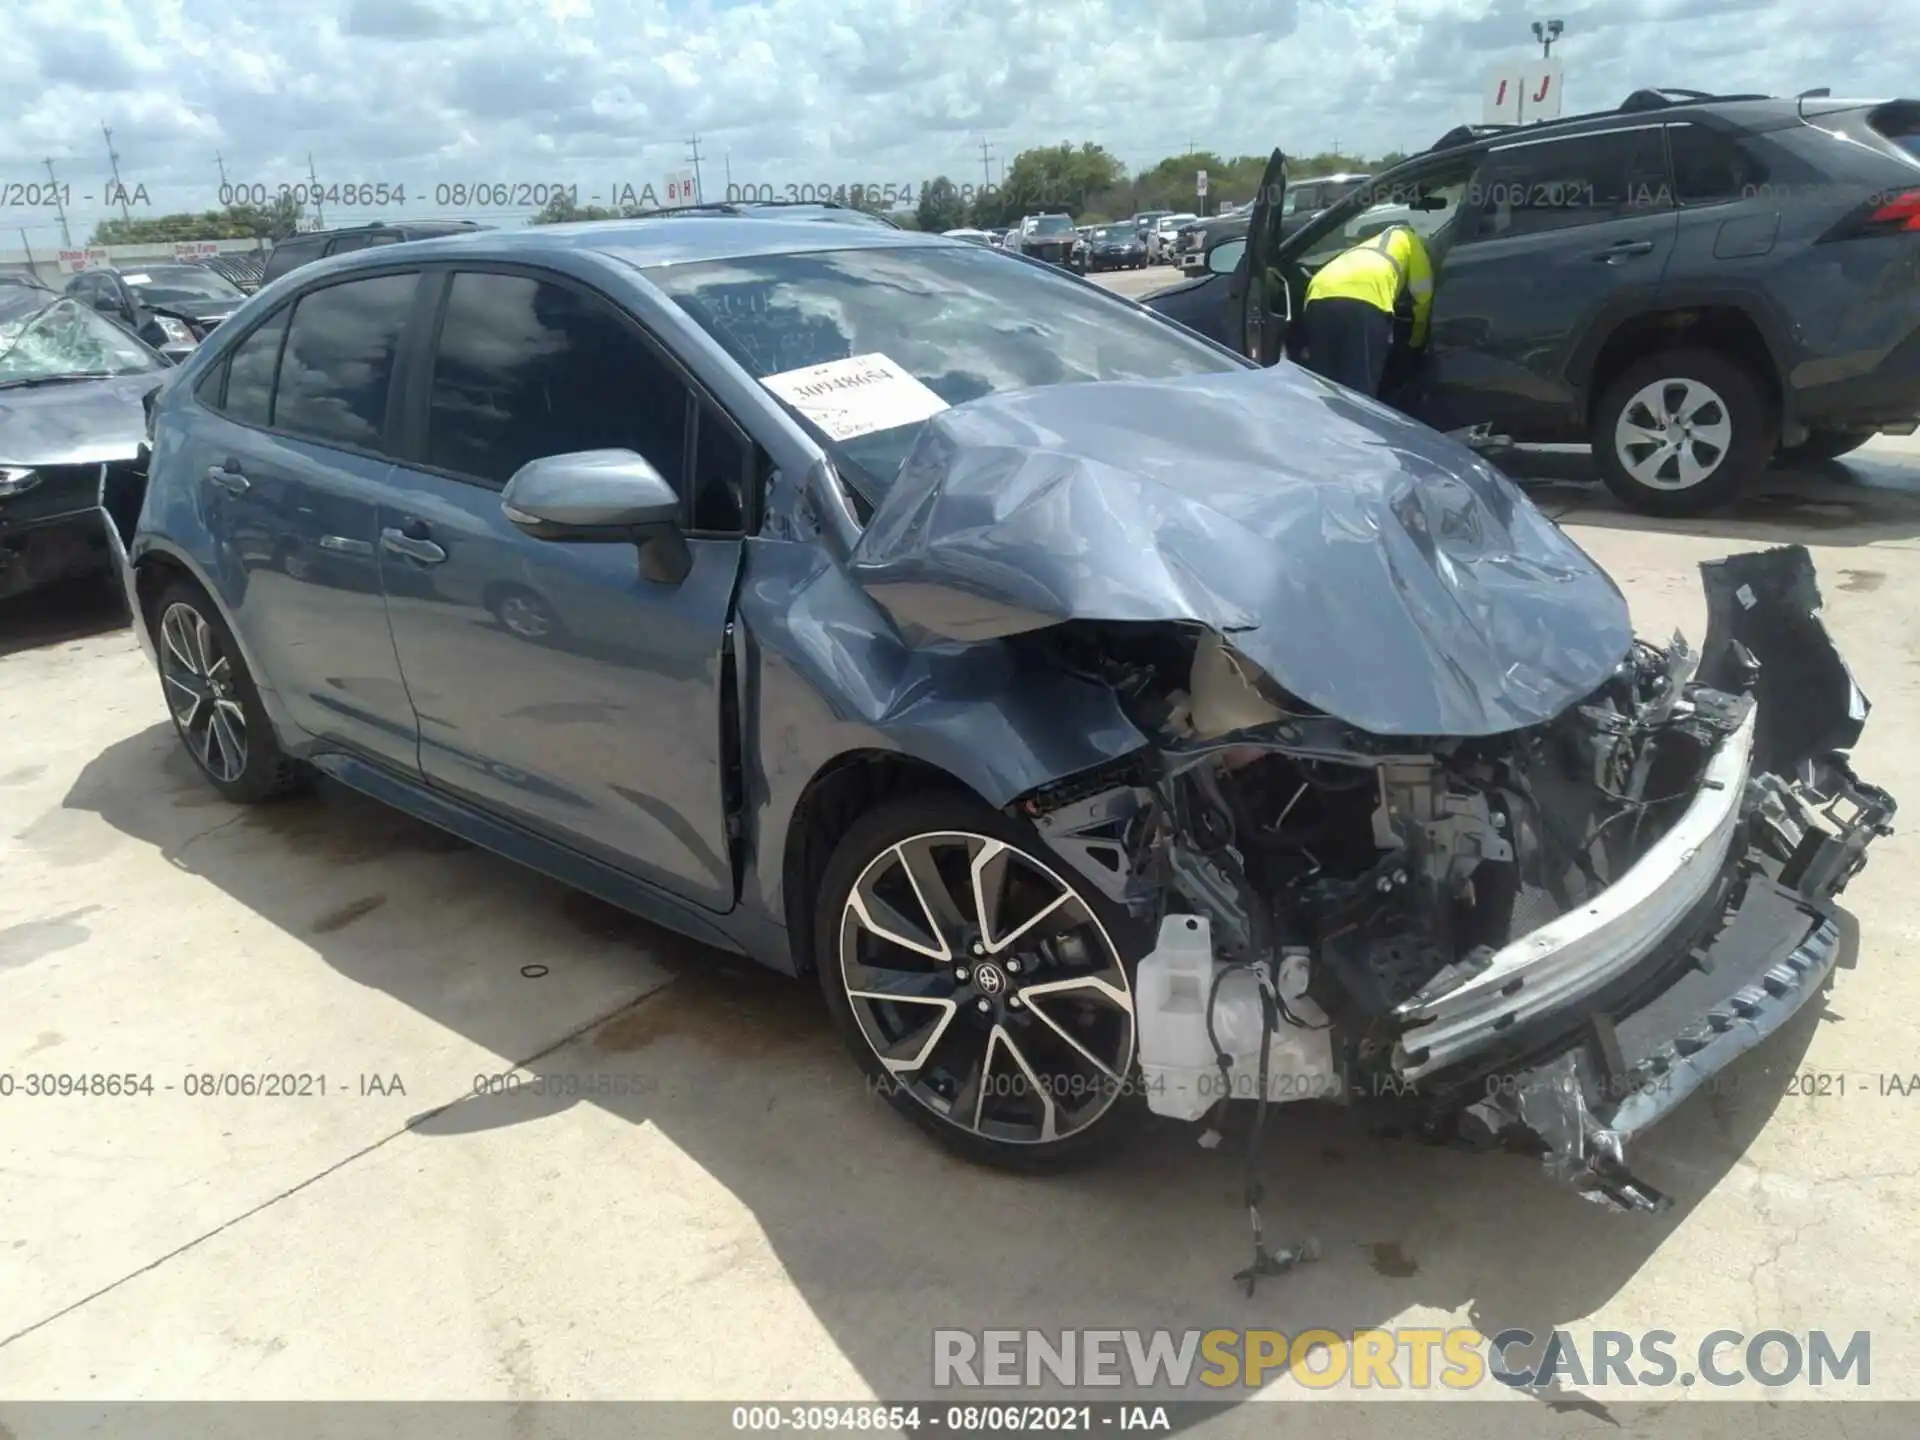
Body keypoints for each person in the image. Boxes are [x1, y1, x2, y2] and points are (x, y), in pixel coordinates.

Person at [1299, 222, 1435, 399]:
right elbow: (1422, 295)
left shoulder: (1368, 246)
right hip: (1365, 299)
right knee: (1359, 387)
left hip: (1318, 294)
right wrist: (1415, 343)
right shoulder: (1413, 241)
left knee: (1322, 382)